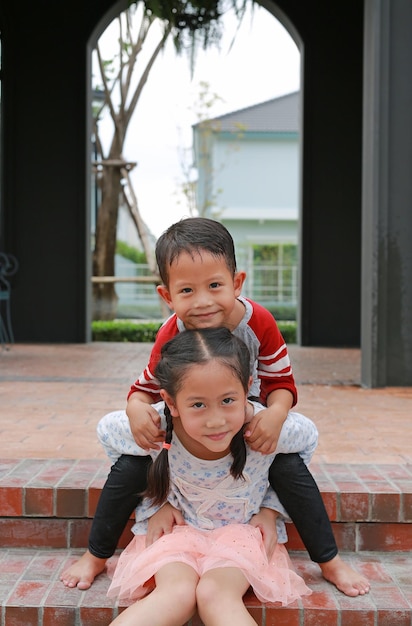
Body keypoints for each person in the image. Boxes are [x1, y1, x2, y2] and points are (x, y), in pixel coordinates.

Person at [60, 217, 370, 597]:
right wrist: (135, 408)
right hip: (189, 426)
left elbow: (282, 384)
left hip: (244, 422)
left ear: (237, 283)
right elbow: (144, 388)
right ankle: (96, 555)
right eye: (187, 290)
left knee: (288, 463)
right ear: (167, 296)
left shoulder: (259, 323)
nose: (203, 301)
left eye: (215, 286)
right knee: (130, 464)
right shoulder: (170, 333)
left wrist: (274, 415)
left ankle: (330, 560)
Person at [107, 327, 314, 626]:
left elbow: (307, 442)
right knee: (176, 592)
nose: (215, 420)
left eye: (228, 400)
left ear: (248, 386)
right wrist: (158, 504)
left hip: (241, 534)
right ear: (172, 402)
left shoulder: (265, 428)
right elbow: (109, 436)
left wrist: (271, 509)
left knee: (216, 594)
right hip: (178, 534)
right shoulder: (157, 428)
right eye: (198, 405)